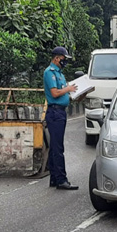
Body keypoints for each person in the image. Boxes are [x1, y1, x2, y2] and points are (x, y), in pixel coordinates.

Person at [43, 46, 79, 190]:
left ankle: (54, 178)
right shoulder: (49, 73)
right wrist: (68, 89)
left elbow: (63, 93)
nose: (65, 61)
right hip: (55, 112)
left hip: (60, 112)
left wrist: (75, 94)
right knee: (58, 148)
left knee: (54, 147)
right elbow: (55, 93)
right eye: (64, 59)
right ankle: (61, 180)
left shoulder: (60, 74)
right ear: (57, 58)